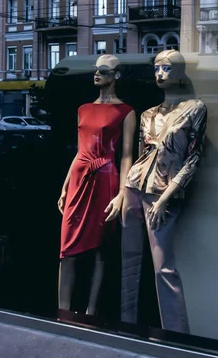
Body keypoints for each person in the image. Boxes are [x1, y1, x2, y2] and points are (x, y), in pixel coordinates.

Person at [121, 49, 207, 333]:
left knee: (164, 268)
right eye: (157, 68)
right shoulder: (147, 115)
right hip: (134, 187)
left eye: (167, 68)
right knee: (129, 260)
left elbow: (193, 159)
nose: (160, 74)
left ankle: (177, 337)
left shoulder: (195, 109)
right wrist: (123, 191)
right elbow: (139, 156)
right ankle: (127, 325)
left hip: (162, 194)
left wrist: (166, 198)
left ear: (180, 73)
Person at [57, 54, 136, 315]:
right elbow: (80, 151)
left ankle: (92, 311)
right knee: (67, 249)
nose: (98, 73)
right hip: (80, 178)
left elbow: (126, 155)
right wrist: (65, 184)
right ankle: (63, 311)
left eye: (104, 70)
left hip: (105, 180)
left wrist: (123, 192)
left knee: (100, 250)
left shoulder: (125, 112)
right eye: (96, 69)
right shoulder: (83, 109)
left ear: (116, 76)